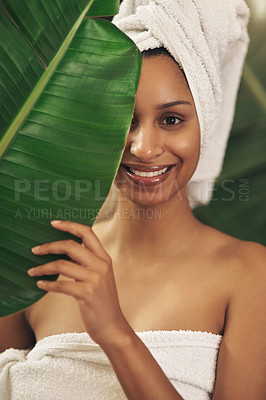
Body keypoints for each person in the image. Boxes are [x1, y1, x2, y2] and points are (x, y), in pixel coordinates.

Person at [0, 1, 265, 400]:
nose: (143, 148)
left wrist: (114, 331)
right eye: (124, 119)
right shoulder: (43, 254)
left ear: (204, 123)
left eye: (171, 120)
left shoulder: (250, 274)